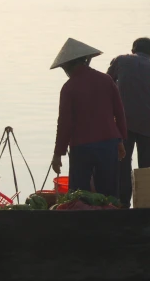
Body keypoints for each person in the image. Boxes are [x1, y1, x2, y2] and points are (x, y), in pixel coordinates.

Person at [50, 37, 127, 198]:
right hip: (108, 143)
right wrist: (120, 140)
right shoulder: (106, 80)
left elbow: (65, 124)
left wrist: (58, 154)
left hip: (81, 147)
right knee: (109, 193)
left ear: (68, 65)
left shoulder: (69, 87)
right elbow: (119, 113)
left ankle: (82, 220)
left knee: (79, 193)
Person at [107, 37, 150, 208]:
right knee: (147, 170)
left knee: (122, 165)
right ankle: (145, 205)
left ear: (133, 49)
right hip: (148, 126)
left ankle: (122, 203)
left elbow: (106, 84)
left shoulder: (120, 61)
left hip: (122, 125)